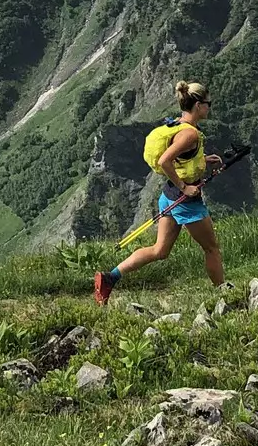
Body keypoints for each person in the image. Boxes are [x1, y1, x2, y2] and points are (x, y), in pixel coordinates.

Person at [95, 80, 224, 305]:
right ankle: (225, 294)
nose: (209, 108)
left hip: (169, 196)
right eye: (208, 103)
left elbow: (180, 158)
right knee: (211, 248)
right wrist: (186, 187)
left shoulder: (178, 124)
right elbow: (165, 161)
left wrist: (202, 159)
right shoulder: (190, 134)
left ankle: (110, 277)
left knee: (160, 250)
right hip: (185, 200)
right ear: (197, 106)